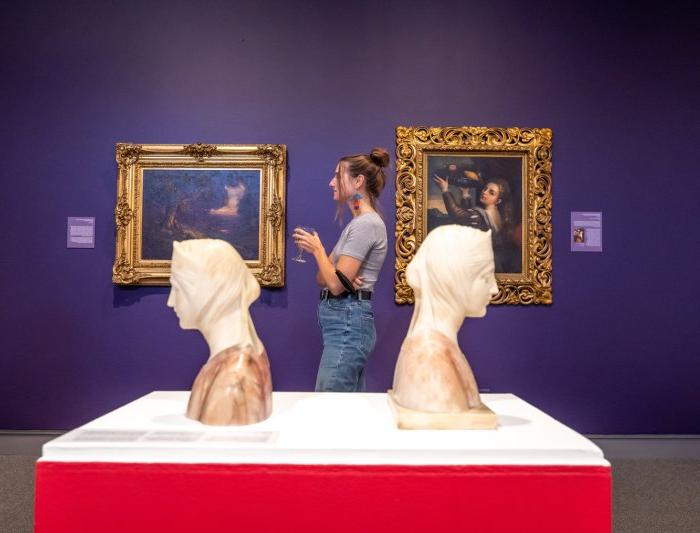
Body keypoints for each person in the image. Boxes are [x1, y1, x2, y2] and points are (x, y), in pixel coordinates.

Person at [293, 148, 389, 392]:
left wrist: (317, 250)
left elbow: (334, 284)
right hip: (344, 322)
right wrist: (334, 272)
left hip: (348, 323)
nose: (330, 182)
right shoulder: (357, 223)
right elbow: (321, 279)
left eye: (337, 176)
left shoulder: (366, 224)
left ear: (358, 181)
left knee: (329, 404)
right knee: (344, 408)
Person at [392, 225, 498, 414]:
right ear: (455, 279)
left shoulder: (435, 348)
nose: (494, 289)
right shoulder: (431, 358)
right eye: (486, 277)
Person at [167, 239, 272, 425]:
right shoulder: (238, 362)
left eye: (177, 288)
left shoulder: (232, 380)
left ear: (206, 291)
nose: (171, 301)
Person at [433, 175, 517, 272]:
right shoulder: (496, 214)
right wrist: (465, 194)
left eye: (491, 193)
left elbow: (458, 215)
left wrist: (445, 190)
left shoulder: (481, 215)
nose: (485, 192)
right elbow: (469, 221)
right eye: (485, 188)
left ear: (498, 201)